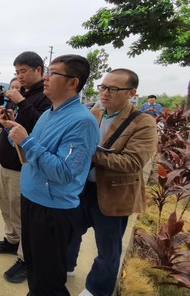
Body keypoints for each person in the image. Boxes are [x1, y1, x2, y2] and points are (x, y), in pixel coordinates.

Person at [0, 54, 100, 296]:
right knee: (34, 268)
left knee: (49, 278)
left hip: (53, 211)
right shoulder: (48, 113)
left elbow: (64, 172)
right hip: (32, 201)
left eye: (53, 73)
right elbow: (33, 155)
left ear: (72, 82)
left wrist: (27, 141)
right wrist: (16, 133)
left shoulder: (82, 122)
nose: (46, 77)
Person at [67, 69, 158, 296]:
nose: (106, 92)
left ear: (132, 93)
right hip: (83, 189)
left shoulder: (143, 123)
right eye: (103, 87)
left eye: (114, 88)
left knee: (108, 249)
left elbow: (132, 162)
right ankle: (66, 267)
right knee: (69, 231)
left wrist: (89, 153)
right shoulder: (94, 113)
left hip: (114, 196)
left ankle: (96, 290)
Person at [0, 51, 51, 284]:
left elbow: (41, 128)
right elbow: (7, 126)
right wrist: (2, 118)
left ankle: (26, 259)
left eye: (23, 71)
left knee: (23, 215)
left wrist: (21, 102)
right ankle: (11, 240)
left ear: (38, 71)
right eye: (16, 72)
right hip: (5, 163)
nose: (20, 76)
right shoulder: (21, 95)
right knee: (6, 206)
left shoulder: (45, 98)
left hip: (23, 168)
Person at [0, 77, 22, 207]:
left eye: (18, 88)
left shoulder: (22, 107)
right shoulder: (7, 104)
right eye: (12, 87)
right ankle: (0, 197)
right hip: (1, 144)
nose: (14, 91)